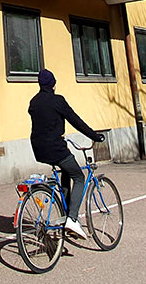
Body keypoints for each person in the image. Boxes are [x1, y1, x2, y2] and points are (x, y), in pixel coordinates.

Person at [28, 69, 105, 240]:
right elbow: (75, 120)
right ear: (53, 85)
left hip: (38, 149)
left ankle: (65, 213)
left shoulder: (34, 102)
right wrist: (94, 136)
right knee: (78, 177)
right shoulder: (57, 100)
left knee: (66, 173)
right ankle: (72, 219)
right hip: (55, 148)